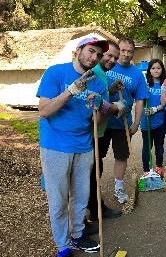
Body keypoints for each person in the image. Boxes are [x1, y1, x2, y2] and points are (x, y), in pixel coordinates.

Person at [37, 37, 109, 256]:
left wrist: (98, 107)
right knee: (58, 199)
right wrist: (71, 91)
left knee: (81, 196)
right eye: (90, 51)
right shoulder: (55, 72)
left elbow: (96, 121)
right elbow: (44, 110)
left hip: (84, 145)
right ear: (79, 50)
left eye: (98, 54)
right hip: (56, 145)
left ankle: (77, 236)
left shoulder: (97, 81)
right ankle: (62, 245)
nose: (94, 57)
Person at [99, 37, 148, 204]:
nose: (126, 54)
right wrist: (111, 90)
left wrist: (136, 123)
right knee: (98, 156)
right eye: (123, 51)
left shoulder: (137, 74)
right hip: (102, 121)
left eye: (130, 52)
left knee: (121, 156)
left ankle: (118, 188)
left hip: (123, 123)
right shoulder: (107, 66)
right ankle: (94, 188)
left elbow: (140, 100)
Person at [86, 40, 125, 226]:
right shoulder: (96, 72)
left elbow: (100, 97)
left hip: (98, 131)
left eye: (115, 58)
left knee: (95, 170)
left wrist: (110, 90)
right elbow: (98, 105)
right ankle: (95, 209)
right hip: (90, 133)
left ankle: (94, 207)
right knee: (93, 172)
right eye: (109, 56)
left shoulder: (103, 74)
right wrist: (117, 107)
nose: (112, 60)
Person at [141, 59, 166, 175]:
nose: (156, 70)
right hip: (146, 122)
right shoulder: (145, 84)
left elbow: (163, 103)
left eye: (158, 68)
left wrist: (154, 109)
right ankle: (146, 170)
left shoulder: (163, 85)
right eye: (153, 68)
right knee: (147, 147)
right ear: (149, 70)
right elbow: (139, 101)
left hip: (159, 122)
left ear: (162, 69)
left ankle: (159, 168)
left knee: (159, 146)